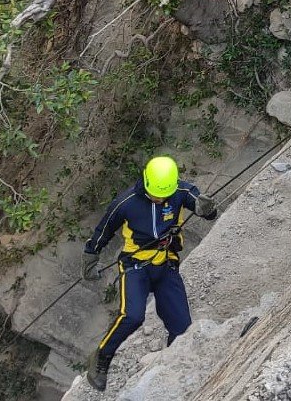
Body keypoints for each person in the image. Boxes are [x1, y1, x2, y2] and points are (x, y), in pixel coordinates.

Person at [81, 155, 218, 390]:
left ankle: (171, 370)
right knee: (132, 316)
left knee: (182, 328)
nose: (159, 199)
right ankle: (102, 356)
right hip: (135, 265)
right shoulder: (127, 203)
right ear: (146, 182)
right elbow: (104, 229)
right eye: (155, 194)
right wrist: (91, 256)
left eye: (163, 196)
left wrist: (208, 209)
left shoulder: (181, 191)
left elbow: (204, 207)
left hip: (166, 264)